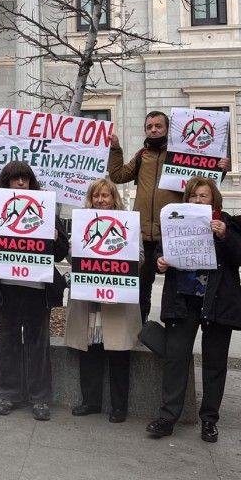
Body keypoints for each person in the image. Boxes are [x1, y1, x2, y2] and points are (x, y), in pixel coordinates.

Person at [145, 176, 241, 443]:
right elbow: (158, 251)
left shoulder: (229, 223)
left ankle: (210, 420)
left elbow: (240, 258)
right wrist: (160, 262)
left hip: (217, 302)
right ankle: (168, 417)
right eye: (193, 196)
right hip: (183, 300)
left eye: (203, 196)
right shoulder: (176, 218)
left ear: (214, 199)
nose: (197, 200)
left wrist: (224, 235)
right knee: (176, 357)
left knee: (215, 362)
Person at [108, 111, 230, 323]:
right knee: (141, 288)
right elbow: (118, 176)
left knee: (176, 288)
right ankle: (140, 328)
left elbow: (204, 184)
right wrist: (115, 149)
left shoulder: (181, 155)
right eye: (149, 127)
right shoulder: (141, 157)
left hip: (175, 235)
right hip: (144, 234)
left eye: (158, 126)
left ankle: (175, 329)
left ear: (168, 128)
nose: (153, 130)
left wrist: (221, 171)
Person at [0, 161, 69, 420]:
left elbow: (62, 252)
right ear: (6, 183)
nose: (21, 183)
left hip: (37, 290)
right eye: (15, 179)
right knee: (6, 343)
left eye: (25, 179)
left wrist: (56, 239)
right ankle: (7, 394)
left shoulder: (45, 209)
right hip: (4, 290)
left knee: (38, 344)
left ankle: (40, 399)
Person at [65, 178, 141, 423]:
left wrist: (123, 257)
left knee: (118, 354)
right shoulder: (81, 222)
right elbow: (70, 255)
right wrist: (74, 246)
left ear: (114, 198)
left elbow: (139, 258)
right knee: (90, 351)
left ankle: (119, 406)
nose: (100, 200)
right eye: (96, 195)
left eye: (105, 196)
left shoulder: (127, 223)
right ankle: (90, 402)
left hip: (117, 300)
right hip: (88, 300)